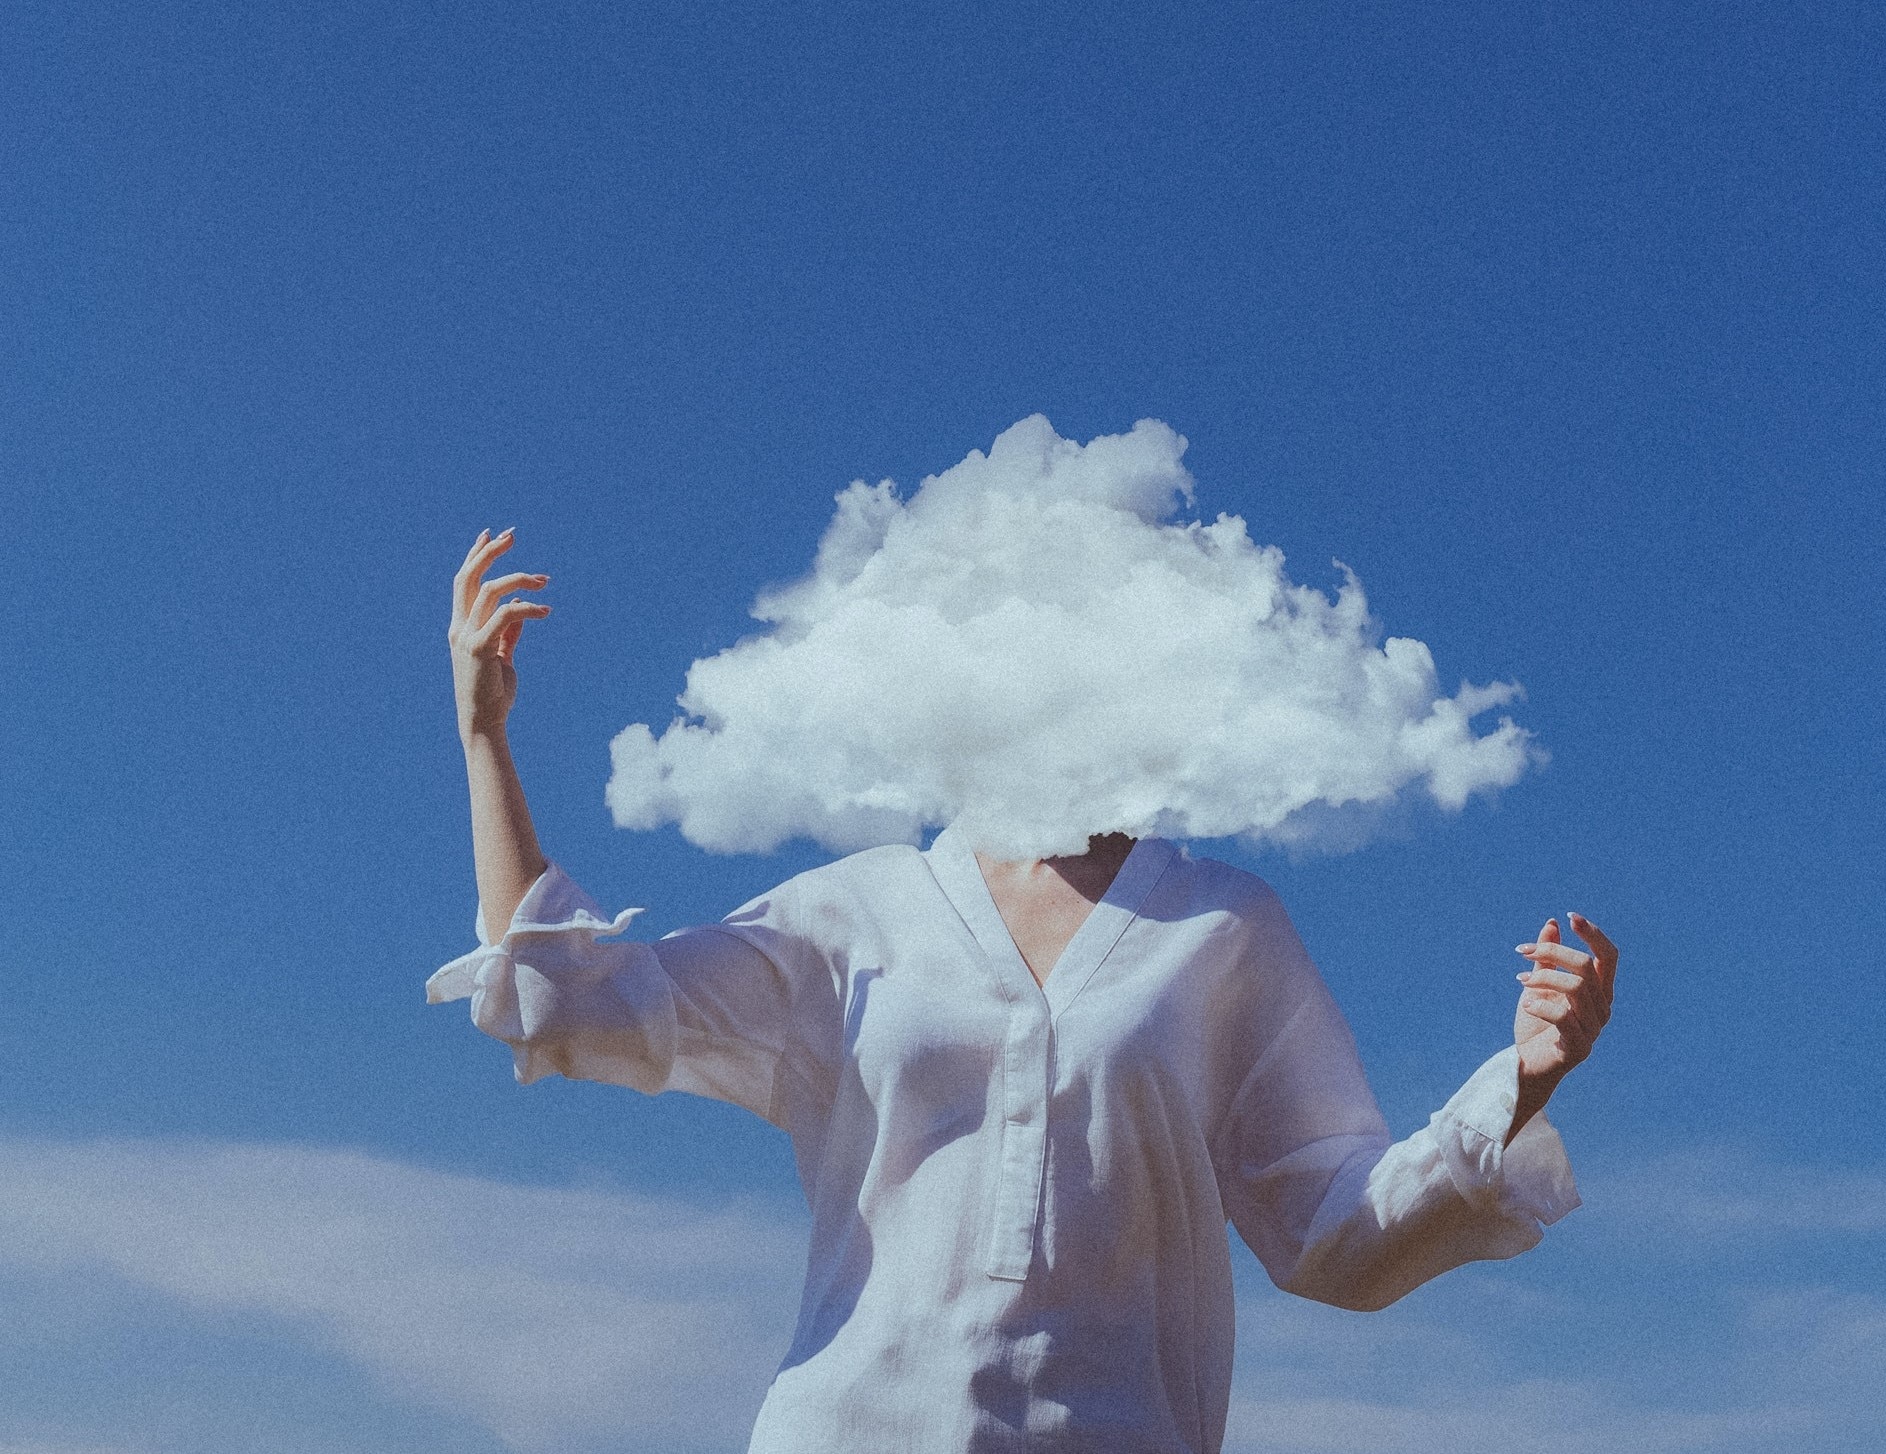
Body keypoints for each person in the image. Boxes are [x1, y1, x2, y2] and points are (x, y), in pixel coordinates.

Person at [429, 529, 1619, 1454]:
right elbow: (578, 1003)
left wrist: (1518, 1077)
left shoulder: (1221, 926)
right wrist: (485, 735)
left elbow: (1336, 1236)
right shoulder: (858, 908)